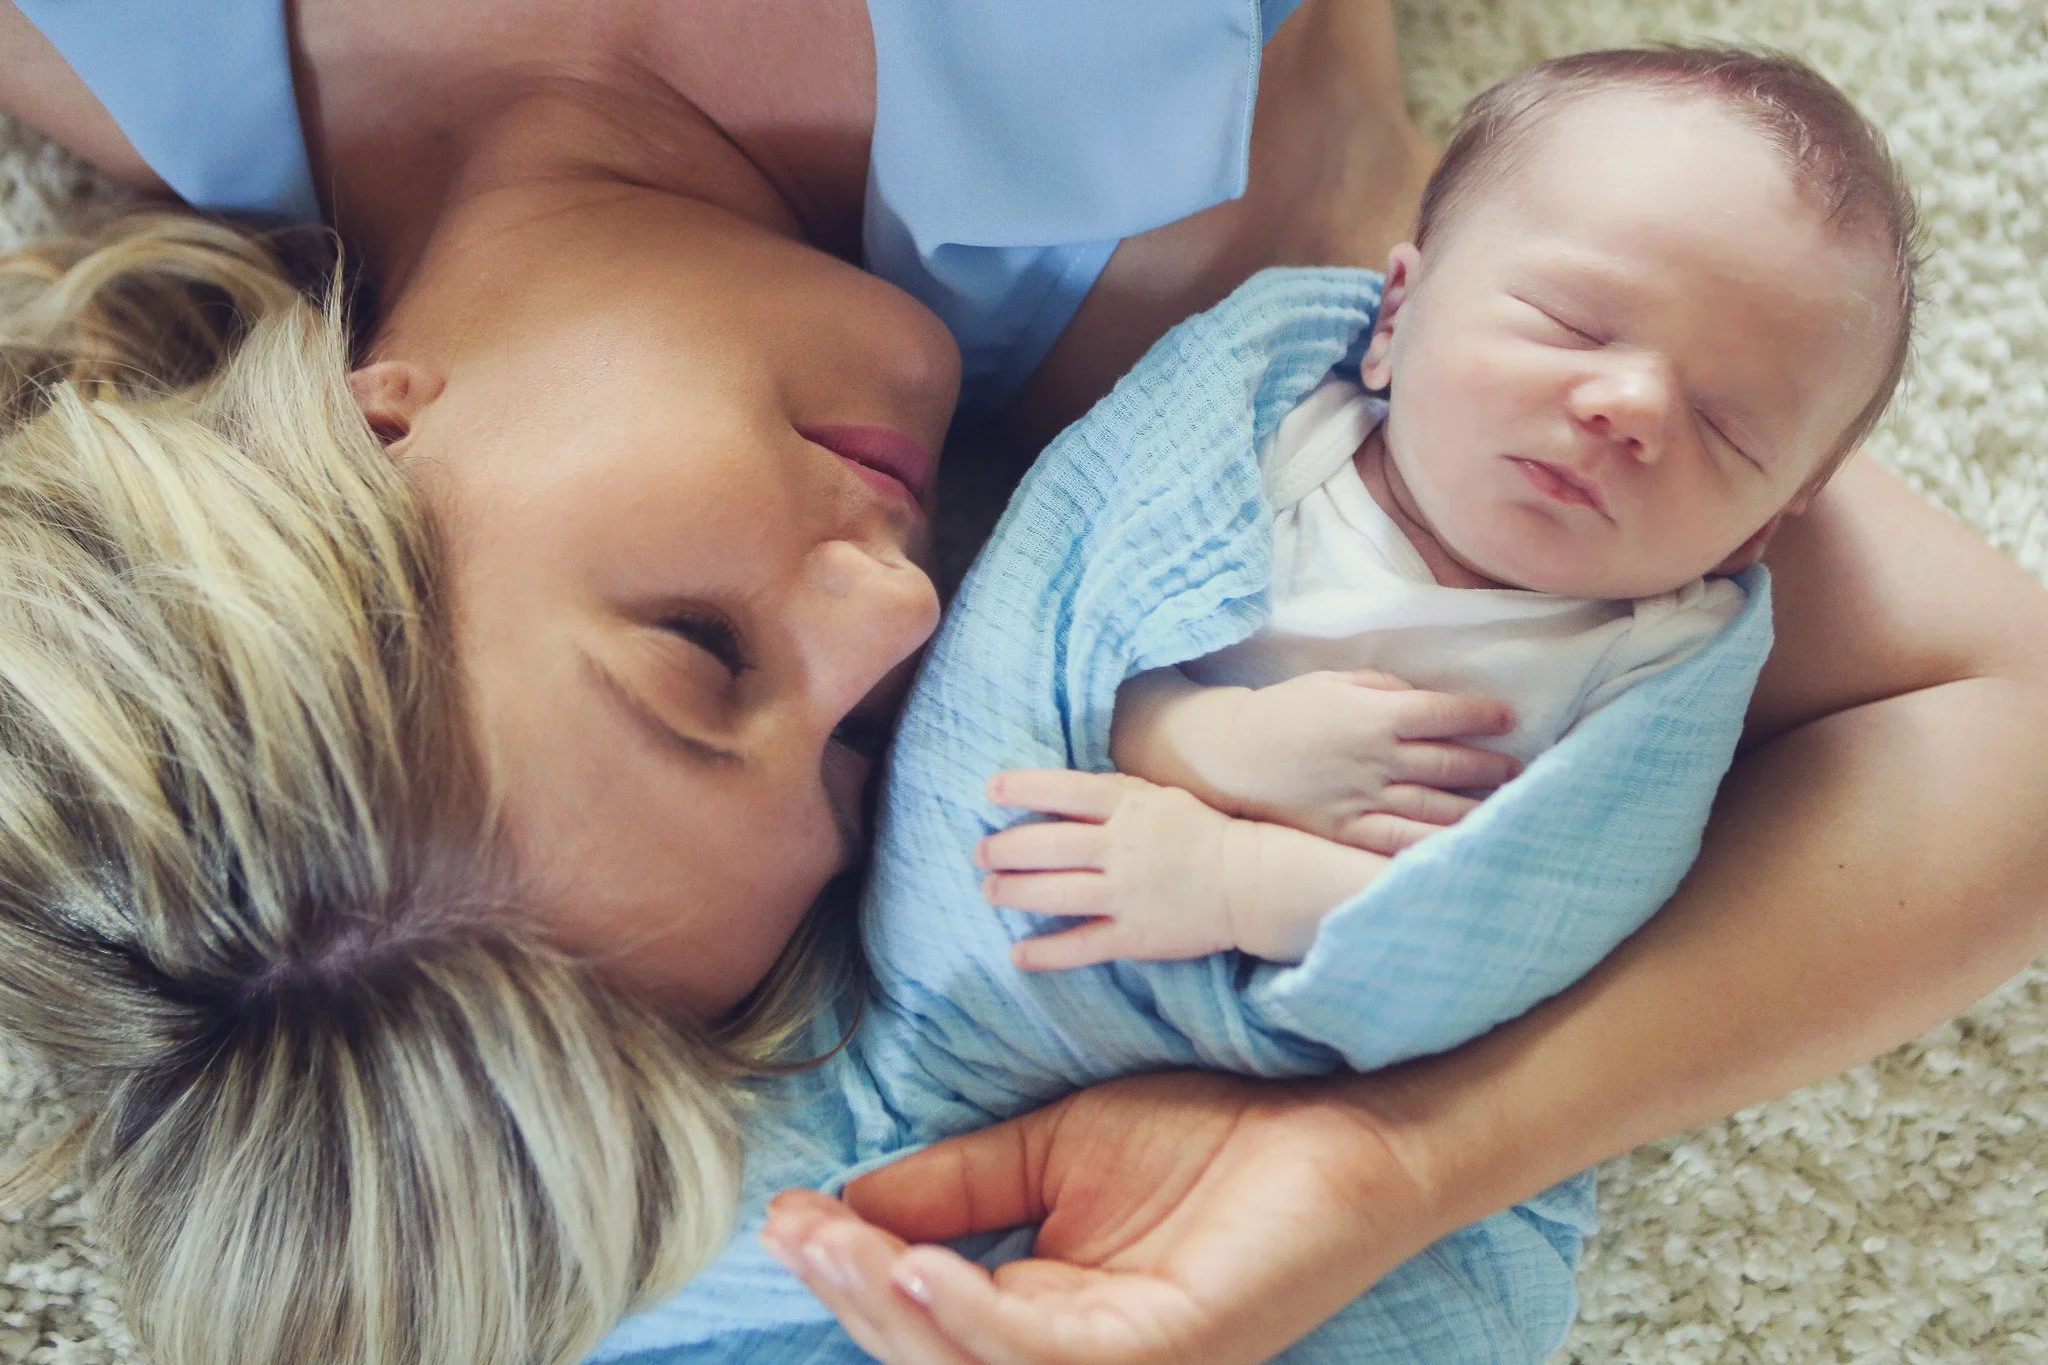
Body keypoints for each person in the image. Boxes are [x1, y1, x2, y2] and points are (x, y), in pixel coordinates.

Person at [0, 3, 2039, 1364]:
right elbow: (2000, 726)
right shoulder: (1209, 274)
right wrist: (1412, 1157)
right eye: (867, 746)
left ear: (373, 432)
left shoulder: (103, 46)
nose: (898, 609)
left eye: (701, 649)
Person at [975, 48, 1914, 973]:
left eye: (1722, 427)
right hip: (1024, 889)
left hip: (1267, 1045)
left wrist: (1241, 879)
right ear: (1394, 320)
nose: (1631, 407)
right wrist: (1203, 742)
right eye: (1573, 322)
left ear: (1753, 532)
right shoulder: (1272, 435)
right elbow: (1047, 642)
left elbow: (1530, 922)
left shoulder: (1646, 660)